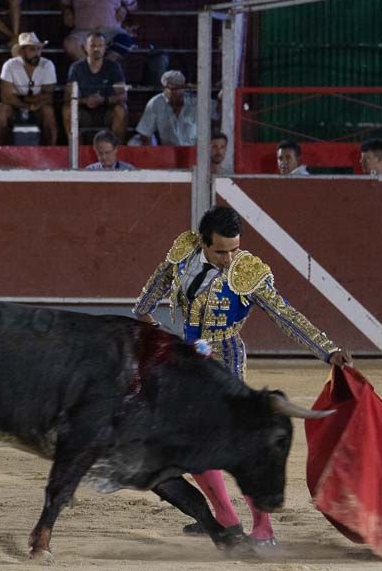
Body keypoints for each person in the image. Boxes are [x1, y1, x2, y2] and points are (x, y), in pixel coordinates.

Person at [132, 206, 350, 546]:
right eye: (221, 251)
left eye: (235, 249)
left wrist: (327, 350)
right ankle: (225, 517)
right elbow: (154, 288)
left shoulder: (247, 271)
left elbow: (286, 315)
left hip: (225, 358)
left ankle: (263, 527)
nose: (230, 258)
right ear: (203, 243)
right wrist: (144, 315)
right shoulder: (183, 254)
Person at [0, 31, 58, 145]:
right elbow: (6, 97)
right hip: (15, 107)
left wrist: (27, 100)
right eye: (32, 49)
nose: (37, 53)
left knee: (48, 110)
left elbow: (48, 96)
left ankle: (50, 149)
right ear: (22, 51)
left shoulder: (47, 65)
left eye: (38, 49)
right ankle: (0, 150)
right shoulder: (10, 65)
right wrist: (27, 104)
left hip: (37, 106)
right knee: (1, 110)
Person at [64, 30, 127, 141]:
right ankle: (76, 153)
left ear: (105, 48)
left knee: (122, 110)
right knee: (67, 110)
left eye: (100, 46)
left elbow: (123, 95)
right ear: (85, 47)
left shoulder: (113, 67)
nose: (96, 49)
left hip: (107, 110)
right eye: (92, 46)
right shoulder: (76, 67)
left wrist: (103, 100)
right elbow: (68, 96)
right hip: (84, 111)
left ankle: (117, 151)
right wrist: (85, 101)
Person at [135, 69, 199, 146]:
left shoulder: (195, 102)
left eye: (180, 88)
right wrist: (152, 154)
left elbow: (215, 114)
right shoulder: (155, 103)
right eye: (173, 89)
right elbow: (145, 133)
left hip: (195, 151)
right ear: (165, 88)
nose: (177, 92)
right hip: (169, 152)